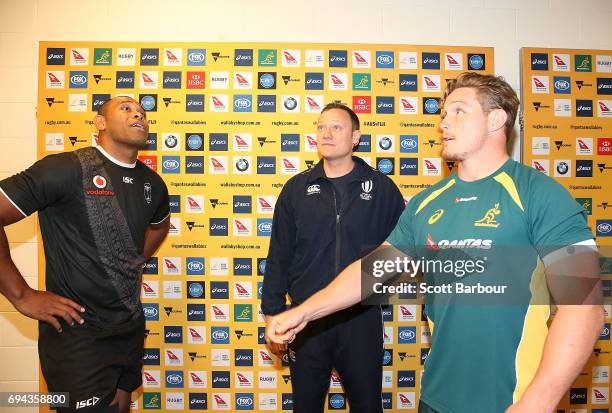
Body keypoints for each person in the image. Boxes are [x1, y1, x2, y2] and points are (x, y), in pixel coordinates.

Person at [266, 73, 604, 413]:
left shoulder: (539, 194)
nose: (444, 122)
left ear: (496, 118)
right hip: (435, 399)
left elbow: (585, 306)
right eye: (443, 113)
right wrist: (303, 312)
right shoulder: (428, 203)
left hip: (513, 400)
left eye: (458, 111)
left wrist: (538, 403)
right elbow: (371, 273)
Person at [0, 96, 170, 413]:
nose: (138, 114)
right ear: (100, 122)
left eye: (142, 112)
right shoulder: (65, 168)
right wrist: (22, 295)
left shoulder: (153, 184)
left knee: (121, 407)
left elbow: (159, 228)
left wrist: (133, 260)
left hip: (129, 327)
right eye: (127, 108)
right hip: (78, 337)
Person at [262, 103, 404, 412]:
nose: (326, 133)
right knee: (306, 407)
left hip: (360, 320)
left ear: (355, 137)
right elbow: (279, 255)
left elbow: (401, 253)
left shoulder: (382, 189)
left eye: (336, 127)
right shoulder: (296, 189)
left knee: (368, 406)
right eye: (321, 126)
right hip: (305, 322)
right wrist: (272, 314)